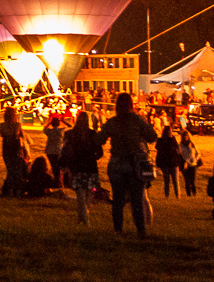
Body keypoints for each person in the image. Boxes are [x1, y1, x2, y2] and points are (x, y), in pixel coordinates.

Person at [99, 92, 158, 237]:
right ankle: (141, 230)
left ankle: (118, 229)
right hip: (134, 164)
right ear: (131, 105)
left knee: (118, 200)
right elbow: (152, 137)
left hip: (117, 163)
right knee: (137, 200)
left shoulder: (112, 122)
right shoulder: (138, 120)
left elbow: (99, 139)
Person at [62, 110, 103, 225]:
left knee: (80, 194)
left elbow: (65, 150)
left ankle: (83, 219)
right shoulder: (93, 134)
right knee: (88, 195)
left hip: (77, 166)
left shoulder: (70, 134)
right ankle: (84, 217)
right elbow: (100, 153)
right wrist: (92, 157)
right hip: (90, 167)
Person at [0, 107, 27, 197]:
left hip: (6, 148)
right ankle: (17, 190)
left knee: (10, 170)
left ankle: (9, 190)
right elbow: (20, 135)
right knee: (17, 171)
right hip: (16, 148)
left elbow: (2, 134)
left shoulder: (2, 125)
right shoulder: (17, 125)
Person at [155, 124, 180, 197]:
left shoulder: (163, 140)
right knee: (174, 181)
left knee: (167, 181)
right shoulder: (172, 139)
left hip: (166, 163)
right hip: (172, 162)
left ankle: (168, 195)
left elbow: (157, 148)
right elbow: (177, 149)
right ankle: (176, 195)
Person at [42, 115, 66, 186]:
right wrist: (63, 121)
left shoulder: (49, 131)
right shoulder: (61, 131)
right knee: (58, 167)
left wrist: (49, 123)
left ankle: (56, 181)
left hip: (50, 151)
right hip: (58, 150)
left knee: (53, 166)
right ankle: (58, 181)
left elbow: (44, 128)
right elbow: (71, 127)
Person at [179, 129, 201, 196]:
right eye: (184, 136)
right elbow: (179, 154)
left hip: (193, 164)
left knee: (192, 180)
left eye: (186, 136)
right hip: (185, 165)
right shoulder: (180, 146)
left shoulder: (192, 145)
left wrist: (195, 159)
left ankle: (194, 194)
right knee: (187, 180)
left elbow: (198, 153)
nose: (185, 137)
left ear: (189, 137)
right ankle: (188, 194)